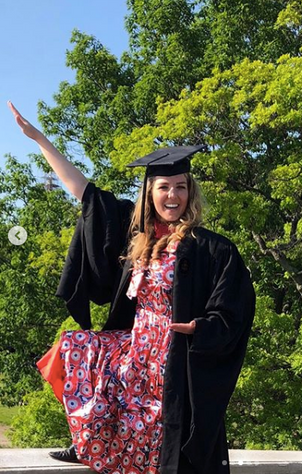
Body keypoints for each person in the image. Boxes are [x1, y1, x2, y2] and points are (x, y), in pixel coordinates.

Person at [8, 101, 256, 474]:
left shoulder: (211, 248)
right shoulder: (135, 234)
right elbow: (87, 194)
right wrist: (40, 139)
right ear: (150, 191)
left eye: (180, 187)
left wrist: (200, 328)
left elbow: (233, 308)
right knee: (73, 347)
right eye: (164, 187)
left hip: (172, 355)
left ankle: (99, 443)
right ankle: (91, 438)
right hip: (135, 345)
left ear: (190, 192)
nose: (172, 196)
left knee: (158, 443)